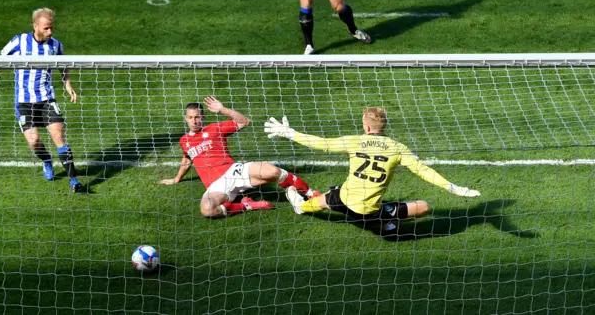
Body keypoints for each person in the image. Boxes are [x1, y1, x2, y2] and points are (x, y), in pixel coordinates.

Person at [264, 107, 480, 232]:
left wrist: (290, 133)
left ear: (366, 126)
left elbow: (321, 143)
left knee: (328, 198)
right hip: (370, 210)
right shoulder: (397, 148)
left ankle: (301, 207)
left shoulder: (354, 141)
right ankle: (385, 223)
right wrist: (453, 187)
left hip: (344, 200)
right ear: (384, 126)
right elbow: (424, 171)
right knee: (423, 207)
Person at [159, 96, 316, 218]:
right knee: (207, 209)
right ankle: (247, 205)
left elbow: (244, 121)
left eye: (197, 117)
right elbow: (186, 159)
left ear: (203, 117)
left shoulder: (215, 128)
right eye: (190, 117)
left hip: (233, 171)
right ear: (186, 118)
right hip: (216, 186)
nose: (194, 121)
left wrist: (223, 109)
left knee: (273, 171)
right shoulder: (184, 140)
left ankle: (311, 194)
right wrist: (177, 178)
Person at [0, 8, 82, 192]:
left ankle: (73, 180)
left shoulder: (56, 45)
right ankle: (47, 160)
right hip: (24, 102)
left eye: (52, 28)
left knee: (59, 137)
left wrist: (67, 84)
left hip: (47, 99)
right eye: (46, 28)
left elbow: (64, 65)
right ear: (36, 26)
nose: (50, 32)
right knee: (34, 142)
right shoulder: (20, 41)